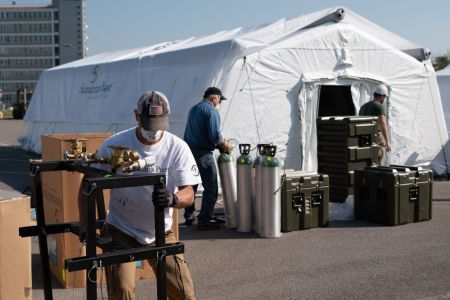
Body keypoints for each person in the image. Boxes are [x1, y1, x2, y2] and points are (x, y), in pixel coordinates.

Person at [79, 90, 201, 299]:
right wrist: (85, 226)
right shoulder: (115, 146)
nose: (153, 132)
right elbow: (87, 184)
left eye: (158, 125)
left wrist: (173, 199)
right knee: (122, 291)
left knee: (184, 293)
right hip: (122, 229)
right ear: (137, 116)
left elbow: (189, 192)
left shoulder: (177, 147)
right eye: (148, 125)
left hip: (160, 230)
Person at [183, 87, 233, 231]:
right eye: (219, 100)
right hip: (203, 154)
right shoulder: (211, 111)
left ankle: (190, 217)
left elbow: (198, 131)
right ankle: (204, 221)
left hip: (188, 153)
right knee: (211, 188)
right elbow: (214, 136)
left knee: (191, 186)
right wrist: (224, 144)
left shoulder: (193, 109)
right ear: (214, 98)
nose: (219, 103)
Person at [359, 84, 392, 165]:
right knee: (377, 159)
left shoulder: (363, 107)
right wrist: (387, 142)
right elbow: (383, 123)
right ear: (381, 96)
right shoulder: (379, 106)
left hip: (364, 138)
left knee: (366, 161)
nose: (384, 99)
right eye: (384, 97)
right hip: (375, 137)